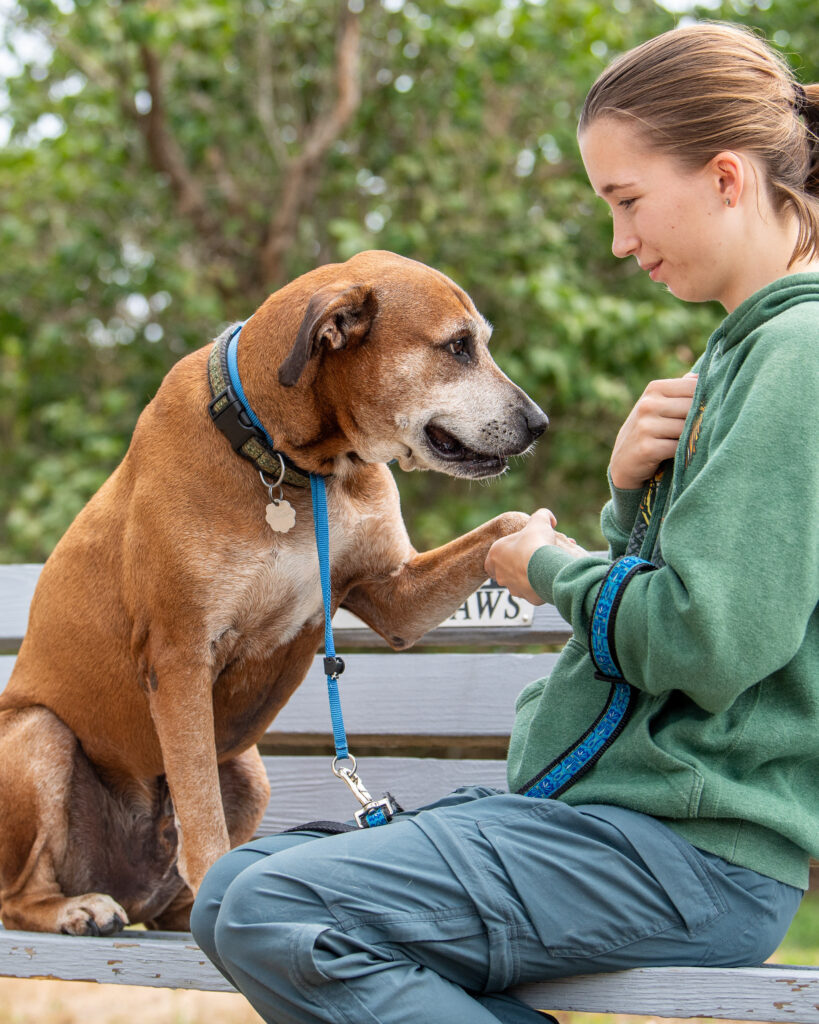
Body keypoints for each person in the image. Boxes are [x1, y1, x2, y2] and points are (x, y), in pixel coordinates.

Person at [190, 22, 819, 1024]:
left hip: (685, 853)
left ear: (729, 178)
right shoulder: (746, 356)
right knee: (233, 887)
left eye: (626, 200)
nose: (619, 240)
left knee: (275, 908)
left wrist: (555, 569)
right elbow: (688, 609)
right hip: (608, 828)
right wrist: (626, 494)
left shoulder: (798, 355)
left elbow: (708, 641)